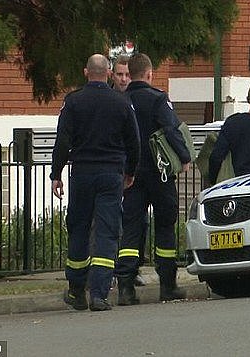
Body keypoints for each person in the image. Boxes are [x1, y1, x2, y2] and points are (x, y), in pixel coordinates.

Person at [50, 54, 140, 311]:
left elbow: (63, 140)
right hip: (111, 174)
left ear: (85, 72)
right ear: (110, 73)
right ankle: (99, 295)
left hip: (82, 173)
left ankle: (77, 290)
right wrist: (130, 171)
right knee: (107, 232)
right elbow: (134, 142)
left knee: (78, 227)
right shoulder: (121, 103)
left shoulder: (73, 102)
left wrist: (56, 174)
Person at [115, 53, 191, 305]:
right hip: (159, 174)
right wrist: (185, 157)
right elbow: (171, 129)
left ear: (130, 73)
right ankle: (167, 285)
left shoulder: (121, 100)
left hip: (131, 175)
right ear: (149, 74)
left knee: (131, 228)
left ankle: (126, 286)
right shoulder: (158, 99)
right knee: (165, 226)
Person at [110, 53, 147, 287]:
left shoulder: (137, 99)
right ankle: (113, 268)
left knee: (137, 222)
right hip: (114, 171)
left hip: (133, 173)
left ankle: (132, 270)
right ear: (112, 75)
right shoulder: (110, 100)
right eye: (120, 74)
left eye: (127, 75)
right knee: (112, 221)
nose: (124, 79)